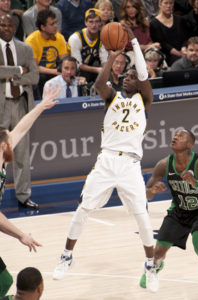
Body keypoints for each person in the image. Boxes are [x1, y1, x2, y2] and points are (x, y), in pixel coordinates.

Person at [53, 24, 159, 293]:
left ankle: (150, 264)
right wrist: (112, 55)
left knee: (142, 216)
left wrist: (133, 43)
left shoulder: (143, 101)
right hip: (107, 160)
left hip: (130, 164)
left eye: (132, 76)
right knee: (84, 207)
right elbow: (100, 83)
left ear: (139, 83)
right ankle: (66, 256)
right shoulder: (111, 97)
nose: (127, 77)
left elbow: (144, 76)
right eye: (125, 75)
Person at [139, 129, 198, 298]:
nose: (175, 136)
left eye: (181, 135)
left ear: (189, 144)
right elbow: (146, 194)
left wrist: (197, 183)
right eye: (175, 134)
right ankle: (156, 266)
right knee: (158, 252)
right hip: (179, 210)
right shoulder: (163, 164)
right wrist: (152, 191)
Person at [0, 85, 60, 297]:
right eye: (10, 141)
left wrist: (42, 106)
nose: (14, 143)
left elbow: (21, 128)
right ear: (3, 146)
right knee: (3, 280)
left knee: (3, 280)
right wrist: (21, 235)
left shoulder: (1, 155)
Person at [0, 14, 39, 209]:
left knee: (22, 154)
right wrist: (18, 70)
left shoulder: (25, 48)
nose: (6, 28)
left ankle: (24, 196)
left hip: (21, 104)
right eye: (3, 25)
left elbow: (34, 77)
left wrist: (11, 75)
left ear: (15, 28)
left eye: (10, 25)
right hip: (1, 106)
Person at [25, 9, 68, 100]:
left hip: (54, 70)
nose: (56, 26)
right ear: (43, 27)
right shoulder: (31, 40)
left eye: (55, 23)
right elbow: (34, 67)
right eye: (52, 24)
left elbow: (65, 61)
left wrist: (63, 71)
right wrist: (55, 71)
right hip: (39, 73)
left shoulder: (60, 38)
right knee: (37, 78)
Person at [68, 8, 108, 85]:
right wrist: (98, 70)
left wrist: (105, 70)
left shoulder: (102, 37)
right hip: (73, 68)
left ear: (100, 23)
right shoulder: (76, 38)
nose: (94, 25)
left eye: (97, 21)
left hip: (90, 67)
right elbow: (78, 65)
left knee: (106, 71)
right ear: (85, 22)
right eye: (91, 22)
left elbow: (104, 61)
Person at [150, 0, 191, 66]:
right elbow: (162, 44)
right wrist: (178, 53)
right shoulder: (154, 23)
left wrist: (183, 48)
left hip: (182, 51)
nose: (168, 6)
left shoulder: (180, 19)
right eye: (166, 3)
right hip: (167, 54)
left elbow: (185, 38)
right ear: (160, 5)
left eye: (171, 3)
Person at [120, 0, 160, 64]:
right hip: (132, 52)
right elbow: (130, 46)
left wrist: (153, 45)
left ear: (138, 8)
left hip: (146, 51)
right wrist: (149, 46)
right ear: (124, 9)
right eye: (128, 7)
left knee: (156, 55)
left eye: (133, 7)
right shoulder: (123, 24)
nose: (131, 10)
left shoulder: (144, 22)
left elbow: (149, 40)